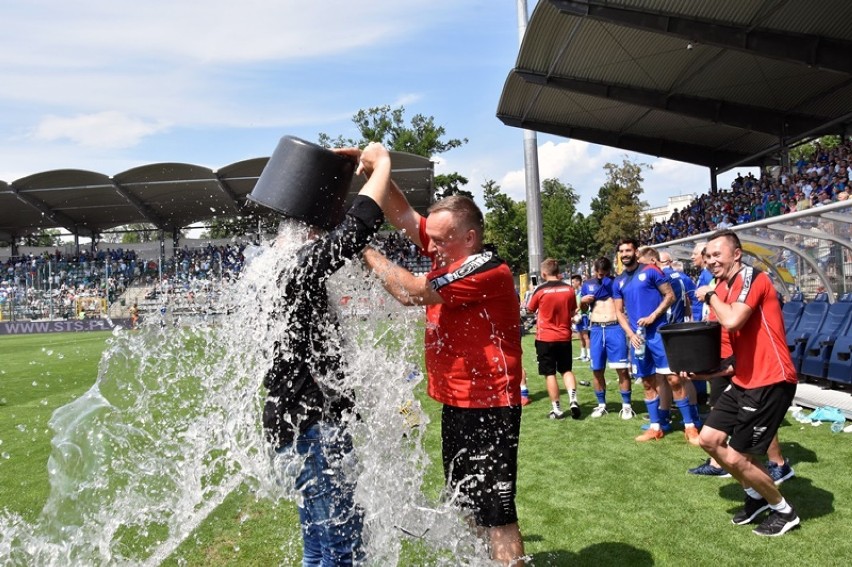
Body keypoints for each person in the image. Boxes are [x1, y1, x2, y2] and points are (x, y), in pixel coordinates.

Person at [363, 190, 525, 564]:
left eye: (438, 240)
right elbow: (402, 213)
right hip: (458, 404)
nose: (429, 246)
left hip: (489, 407)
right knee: (464, 502)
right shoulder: (448, 251)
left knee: (497, 514)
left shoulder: (486, 267)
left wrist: (364, 249)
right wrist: (377, 169)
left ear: (468, 238)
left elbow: (410, 292)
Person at [262, 142, 393, 565]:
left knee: (319, 544)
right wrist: (382, 165)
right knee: (342, 547)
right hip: (312, 430)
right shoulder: (294, 269)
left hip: (296, 426)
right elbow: (356, 230)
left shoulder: (271, 268)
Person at [693, 229, 800, 536]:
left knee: (741, 456)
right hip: (743, 380)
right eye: (708, 256)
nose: (712, 261)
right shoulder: (724, 288)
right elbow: (729, 348)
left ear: (736, 254)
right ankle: (756, 497)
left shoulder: (753, 278)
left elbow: (732, 320)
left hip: (771, 380)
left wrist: (710, 294)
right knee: (709, 440)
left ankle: (784, 510)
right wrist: (705, 372)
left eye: (717, 255)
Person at [613, 239, 699, 443]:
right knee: (647, 381)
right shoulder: (618, 281)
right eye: (621, 251)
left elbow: (669, 296)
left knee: (674, 379)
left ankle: (690, 427)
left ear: (635, 252)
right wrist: (630, 334)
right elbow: (618, 311)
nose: (625, 254)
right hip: (638, 339)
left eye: (628, 250)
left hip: (659, 334)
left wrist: (653, 316)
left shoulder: (651, 270)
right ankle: (655, 427)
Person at [527, 258, 582, 420]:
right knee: (566, 370)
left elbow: (530, 309)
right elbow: (573, 311)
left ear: (543, 273)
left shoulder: (540, 290)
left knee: (549, 373)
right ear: (558, 272)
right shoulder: (569, 289)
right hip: (564, 336)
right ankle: (573, 399)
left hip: (545, 337)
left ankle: (557, 409)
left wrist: (532, 290)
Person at [580, 257, 633, 419]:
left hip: (614, 327)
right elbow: (582, 309)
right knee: (597, 370)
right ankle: (601, 404)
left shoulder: (617, 282)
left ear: (609, 271)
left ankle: (626, 406)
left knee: (622, 369)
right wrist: (583, 301)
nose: (600, 276)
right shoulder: (588, 285)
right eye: (598, 273)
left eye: (604, 273)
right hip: (596, 328)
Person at [570, 274, 591, 361]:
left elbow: (583, 305)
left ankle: (589, 355)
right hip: (578, 316)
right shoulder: (577, 292)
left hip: (583, 316)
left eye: (573, 282)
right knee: (580, 336)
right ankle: (583, 354)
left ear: (578, 282)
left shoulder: (583, 291)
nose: (572, 284)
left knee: (586, 336)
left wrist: (574, 312)